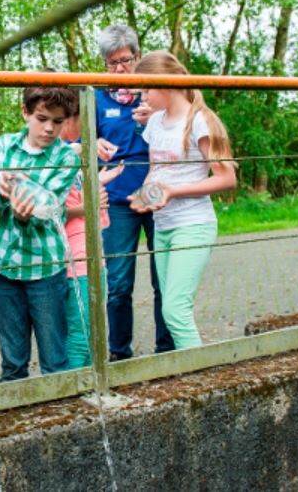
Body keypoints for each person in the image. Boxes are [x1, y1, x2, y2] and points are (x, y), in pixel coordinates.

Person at [131, 50, 237, 348]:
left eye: (147, 89)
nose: (144, 97)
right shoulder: (155, 123)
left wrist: (172, 192)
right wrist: (144, 197)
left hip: (192, 224)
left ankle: (204, 381)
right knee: (172, 307)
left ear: (166, 84)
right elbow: (158, 173)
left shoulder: (201, 120)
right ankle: (188, 372)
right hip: (163, 225)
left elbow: (227, 177)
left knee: (175, 311)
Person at [0, 86, 79, 381]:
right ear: (26, 113)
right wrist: (2, 194)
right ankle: (14, 421)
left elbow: (50, 207)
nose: (50, 128)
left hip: (45, 267)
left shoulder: (65, 157)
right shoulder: (5, 145)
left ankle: (63, 421)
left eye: (58, 121)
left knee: (54, 358)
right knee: (12, 361)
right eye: (42, 118)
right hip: (7, 265)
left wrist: (24, 202)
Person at [95, 24, 174, 360]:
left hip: (157, 192)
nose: (120, 69)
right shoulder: (96, 97)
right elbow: (73, 141)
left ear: (138, 57)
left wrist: (154, 117)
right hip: (117, 199)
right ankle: (119, 353)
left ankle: (166, 349)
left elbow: (181, 128)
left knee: (165, 278)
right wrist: (90, 143)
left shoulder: (156, 92)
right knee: (119, 283)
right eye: (112, 63)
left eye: (126, 60)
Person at [54, 88, 124, 368]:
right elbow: (59, 205)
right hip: (75, 258)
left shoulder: (73, 155)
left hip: (92, 252)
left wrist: (98, 181)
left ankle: (90, 388)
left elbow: (78, 194)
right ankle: (74, 393)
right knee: (81, 336)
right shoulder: (62, 154)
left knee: (94, 333)